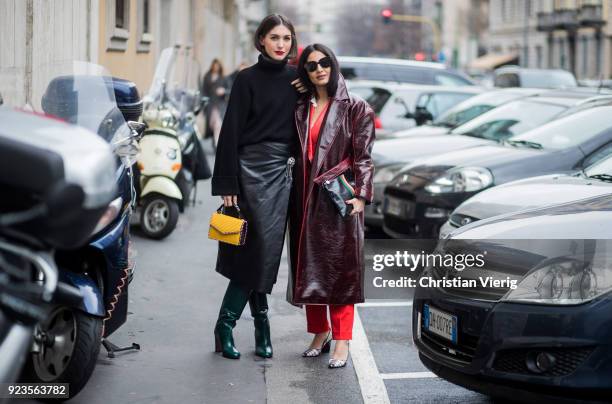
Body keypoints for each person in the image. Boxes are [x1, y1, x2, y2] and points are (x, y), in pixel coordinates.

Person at [211, 14, 299, 360]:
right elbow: (230, 131)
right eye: (274, 37)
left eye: (287, 38)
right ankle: (233, 324)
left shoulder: (298, 80)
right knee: (256, 251)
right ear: (261, 39)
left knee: (265, 253)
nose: (281, 44)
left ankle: (249, 325)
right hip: (249, 172)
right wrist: (227, 181)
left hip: (283, 172)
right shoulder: (246, 79)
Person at [288, 44, 375, 369]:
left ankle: (341, 340)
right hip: (304, 200)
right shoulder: (300, 106)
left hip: (338, 200)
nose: (319, 69)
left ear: (333, 65)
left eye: (325, 62)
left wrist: (361, 195)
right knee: (309, 271)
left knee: (341, 274)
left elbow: (363, 156)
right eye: (311, 66)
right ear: (305, 73)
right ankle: (319, 332)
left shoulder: (356, 107)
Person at [202, 58, 229, 147]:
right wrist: (203, 102)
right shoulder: (207, 76)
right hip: (210, 104)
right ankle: (215, 141)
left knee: (218, 124)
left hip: (220, 104)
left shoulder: (223, 78)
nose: (216, 67)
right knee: (212, 124)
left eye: (217, 66)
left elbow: (229, 90)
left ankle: (217, 144)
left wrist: (223, 91)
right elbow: (204, 91)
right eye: (214, 65)